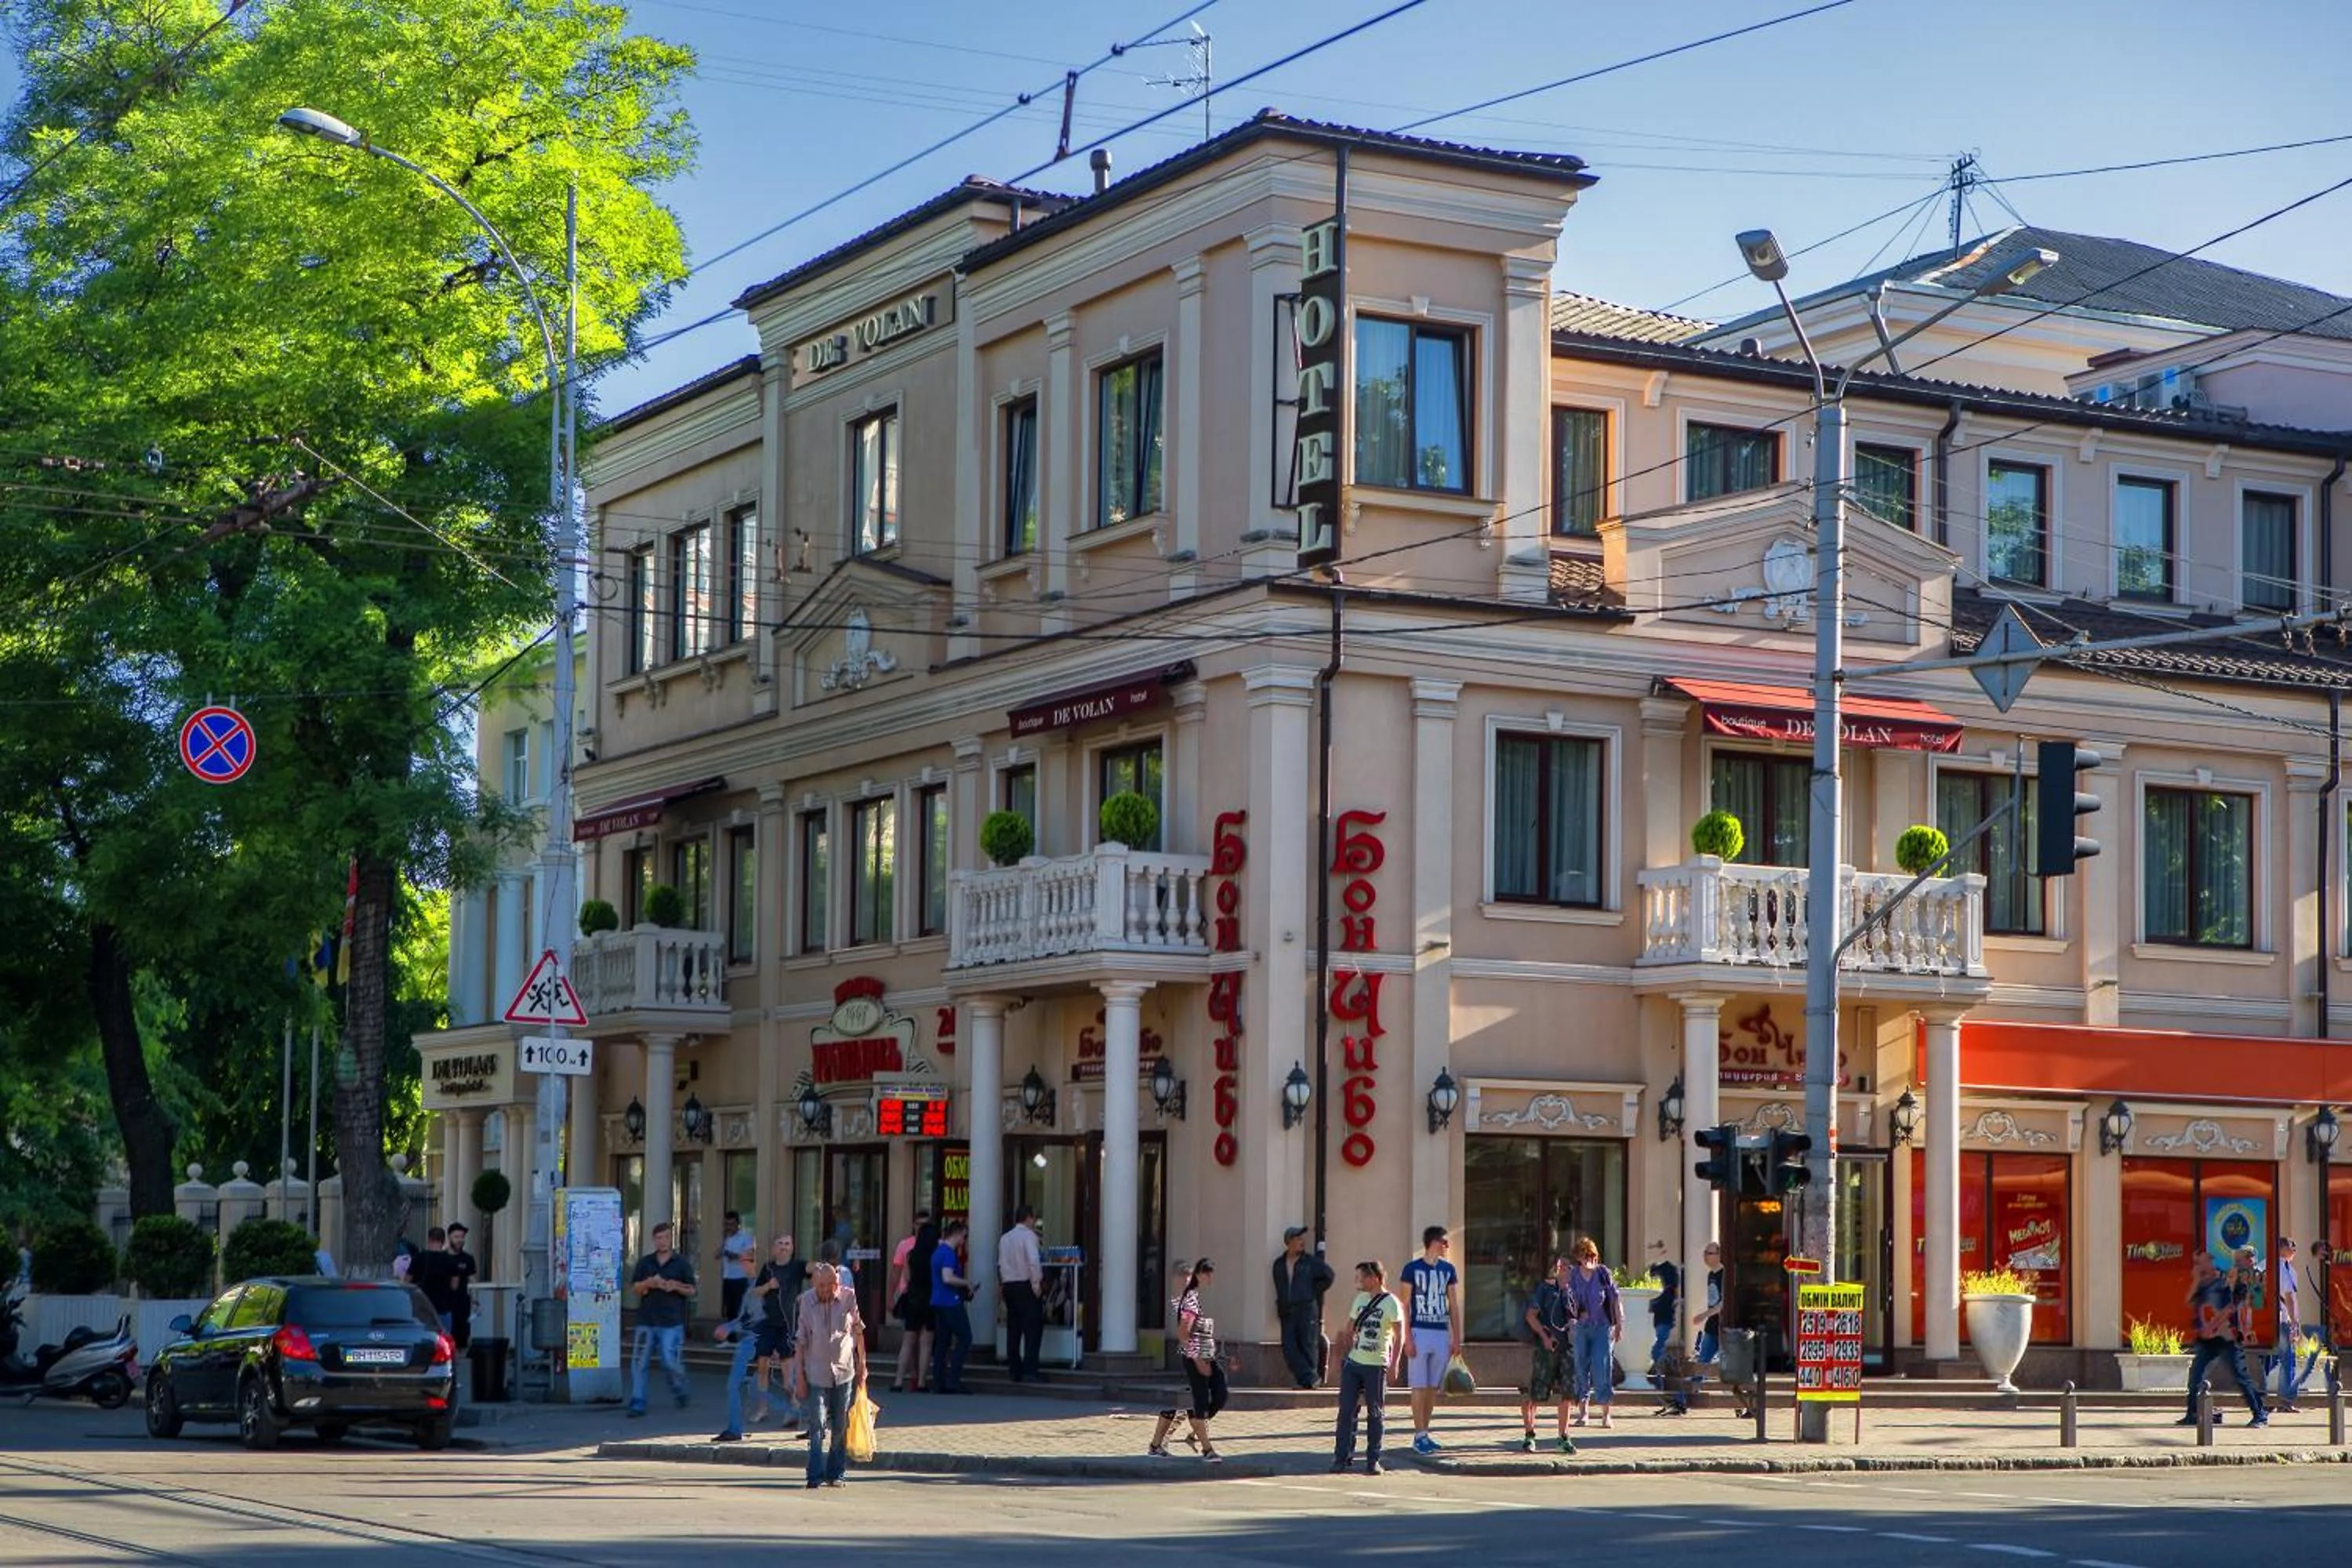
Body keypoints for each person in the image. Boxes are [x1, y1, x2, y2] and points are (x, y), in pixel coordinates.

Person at [793, 1262, 868, 1490]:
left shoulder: (849, 1297)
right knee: (817, 1424)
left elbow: (858, 1331)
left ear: (837, 1283)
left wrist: (863, 1364)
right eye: (820, 1286)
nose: (825, 1290)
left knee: (840, 1424)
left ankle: (837, 1473)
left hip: (844, 1370)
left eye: (830, 1285)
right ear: (814, 1283)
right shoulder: (806, 1300)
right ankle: (814, 1475)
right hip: (816, 1372)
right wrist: (799, 1377)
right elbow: (801, 1341)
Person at [1149, 1260, 1228, 1461]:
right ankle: (1207, 1449)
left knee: (1217, 1394)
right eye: (1184, 1275)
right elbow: (1184, 1334)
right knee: (1196, 1402)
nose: (1188, 1279)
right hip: (1195, 1358)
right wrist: (1197, 1360)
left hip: (1206, 1356)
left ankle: (1160, 1443)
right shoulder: (1187, 1300)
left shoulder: (1188, 1297)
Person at [2178, 1250, 2266, 1428]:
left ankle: (2260, 1415)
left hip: (2227, 1337)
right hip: (2208, 1340)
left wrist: (2213, 1325)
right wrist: (2196, 1280)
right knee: (2196, 1375)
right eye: (2196, 1263)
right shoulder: (2203, 1284)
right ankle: (2192, 1414)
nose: (2197, 1267)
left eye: (2200, 1262)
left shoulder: (2227, 1280)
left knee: (2240, 1377)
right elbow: (2189, 1301)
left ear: (2210, 1262)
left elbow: (2232, 1307)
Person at [1331, 1260, 1403, 1476]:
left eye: (1361, 1278)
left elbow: (1400, 1335)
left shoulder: (1391, 1303)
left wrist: (1394, 1363)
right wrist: (1340, 1356)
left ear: (1374, 1278)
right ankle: (1342, 1457)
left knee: (1375, 1413)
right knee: (1346, 1411)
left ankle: (1373, 1459)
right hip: (1354, 1364)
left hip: (1376, 1365)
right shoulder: (1360, 1300)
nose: (1358, 1282)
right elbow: (1349, 1328)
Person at [1396, 1225, 1461, 1456]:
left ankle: (1425, 1433)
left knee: (1433, 1386)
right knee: (1419, 1385)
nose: (1447, 1246)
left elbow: (1453, 1304)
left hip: (1440, 1332)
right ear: (1433, 1242)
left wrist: (1457, 1337)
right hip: (1419, 1331)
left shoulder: (1448, 1270)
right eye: (1444, 1241)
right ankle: (1419, 1434)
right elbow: (1403, 1305)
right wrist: (1407, 1338)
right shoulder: (1411, 1269)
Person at [626, 1221, 696, 1417]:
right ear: (654, 1240)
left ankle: (679, 1389)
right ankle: (637, 1401)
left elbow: (692, 1290)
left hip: (671, 1322)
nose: (662, 1241)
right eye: (658, 1238)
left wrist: (675, 1287)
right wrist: (649, 1283)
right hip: (646, 1320)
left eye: (665, 1237)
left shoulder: (681, 1263)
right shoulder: (645, 1263)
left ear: (670, 1239)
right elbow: (635, 1288)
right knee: (639, 1362)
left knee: (670, 1361)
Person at [1518, 1252, 1577, 1455]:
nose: (1571, 1271)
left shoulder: (1575, 1292)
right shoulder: (1546, 1289)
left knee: (1568, 1394)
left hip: (1568, 1350)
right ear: (1560, 1268)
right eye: (1568, 1267)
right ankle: (1529, 1435)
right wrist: (1544, 1336)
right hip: (1547, 1349)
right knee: (1536, 1394)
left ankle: (1563, 1437)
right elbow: (1531, 1316)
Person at [710, 1257, 773, 1443]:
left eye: (747, 1260)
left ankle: (735, 1429)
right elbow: (745, 1317)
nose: (742, 1264)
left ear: (755, 1263)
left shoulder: (757, 1287)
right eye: (741, 1260)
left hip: (754, 1339)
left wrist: (729, 1328)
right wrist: (728, 1327)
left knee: (734, 1384)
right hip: (753, 1338)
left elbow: (755, 1319)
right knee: (742, 1383)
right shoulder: (750, 1286)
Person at [1565, 1236, 1624, 1429]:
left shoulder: (1603, 1273)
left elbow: (1615, 1299)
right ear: (1579, 1257)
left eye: (1592, 1254)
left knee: (1602, 1368)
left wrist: (1619, 1325)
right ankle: (1583, 1413)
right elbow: (1569, 1300)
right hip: (1582, 1328)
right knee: (1581, 1367)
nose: (1590, 1258)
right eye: (1585, 1255)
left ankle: (1606, 1414)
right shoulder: (1574, 1275)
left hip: (1602, 1328)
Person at [1272, 1226, 1335, 1390]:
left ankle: (1307, 1381)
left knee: (1308, 1344)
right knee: (1289, 1347)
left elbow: (1329, 1276)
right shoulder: (1279, 1264)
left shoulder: (1310, 1262)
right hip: (1287, 1311)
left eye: (1302, 1239)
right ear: (1289, 1242)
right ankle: (1310, 1377)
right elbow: (1280, 1286)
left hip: (1306, 1309)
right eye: (1298, 1239)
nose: (1302, 1242)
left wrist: (1311, 1292)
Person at [752, 1234, 804, 1427]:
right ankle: (762, 1409)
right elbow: (755, 1292)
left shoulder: (798, 1266)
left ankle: (794, 1408)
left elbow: (815, 1271)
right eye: (780, 1243)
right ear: (774, 1248)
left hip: (788, 1324)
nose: (783, 1247)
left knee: (786, 1370)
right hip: (767, 1322)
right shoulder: (768, 1268)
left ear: (792, 1247)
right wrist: (768, 1286)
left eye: (787, 1243)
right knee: (762, 1365)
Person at [999, 1204, 1047, 1383]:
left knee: (1014, 1328)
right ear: (1028, 1218)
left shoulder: (1005, 1238)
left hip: (1010, 1285)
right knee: (1032, 1329)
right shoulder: (1029, 1237)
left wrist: (1004, 1284)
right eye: (1034, 1218)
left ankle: (1014, 1369)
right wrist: (1037, 1284)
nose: (1034, 1222)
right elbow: (1034, 1261)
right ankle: (1030, 1369)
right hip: (1025, 1285)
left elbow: (1002, 1264)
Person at [892, 1213, 938, 1392]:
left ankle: (897, 1381)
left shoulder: (911, 1254)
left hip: (913, 1298)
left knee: (908, 1341)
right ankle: (921, 1382)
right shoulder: (935, 1254)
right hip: (930, 1298)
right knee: (926, 1342)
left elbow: (907, 1276)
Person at [929, 1220, 974, 1394]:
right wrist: (967, 1283)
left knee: (942, 1342)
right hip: (950, 1301)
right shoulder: (948, 1254)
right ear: (958, 1234)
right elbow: (947, 1277)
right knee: (965, 1337)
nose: (964, 1240)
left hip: (937, 1301)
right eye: (964, 1236)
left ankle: (940, 1381)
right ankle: (954, 1379)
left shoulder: (937, 1252)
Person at [2272, 1238, 2305, 1413]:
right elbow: (2290, 1299)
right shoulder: (2283, 1268)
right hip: (2281, 1321)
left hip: (2269, 1321)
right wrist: (2295, 1324)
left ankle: (2262, 1397)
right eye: (2292, 1246)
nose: (2295, 1250)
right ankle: (2285, 1400)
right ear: (2282, 1248)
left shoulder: (2267, 1265)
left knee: (2268, 1360)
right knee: (2287, 1360)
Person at [1644, 1238, 1679, 1382]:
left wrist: (1674, 1306)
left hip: (1665, 1314)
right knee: (1655, 1347)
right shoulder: (1651, 1271)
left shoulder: (1670, 1269)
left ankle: (1662, 1373)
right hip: (1652, 1314)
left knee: (1657, 1347)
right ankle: (1668, 1362)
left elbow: (1676, 1291)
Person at [413, 1226, 459, 1334]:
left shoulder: (419, 1258)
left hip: (423, 1309)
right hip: (444, 1308)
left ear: (429, 1240)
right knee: (443, 1341)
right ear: (443, 1242)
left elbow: (406, 1281)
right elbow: (454, 1286)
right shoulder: (451, 1261)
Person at [717, 1210, 756, 1324]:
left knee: (740, 1308)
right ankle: (731, 1338)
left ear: (738, 1224)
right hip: (728, 1277)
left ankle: (743, 1335)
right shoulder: (726, 1238)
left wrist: (731, 1255)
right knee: (729, 1309)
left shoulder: (745, 1237)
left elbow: (749, 1256)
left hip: (741, 1277)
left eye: (732, 1224)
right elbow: (717, 1255)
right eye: (727, 1224)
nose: (729, 1227)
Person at [444, 1223, 477, 1353]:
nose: (460, 1240)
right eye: (456, 1237)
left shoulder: (468, 1259)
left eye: (462, 1237)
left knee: (462, 1342)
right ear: (449, 1237)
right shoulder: (442, 1257)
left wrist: (475, 1300)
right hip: (445, 1306)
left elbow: (472, 1280)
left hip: (463, 1305)